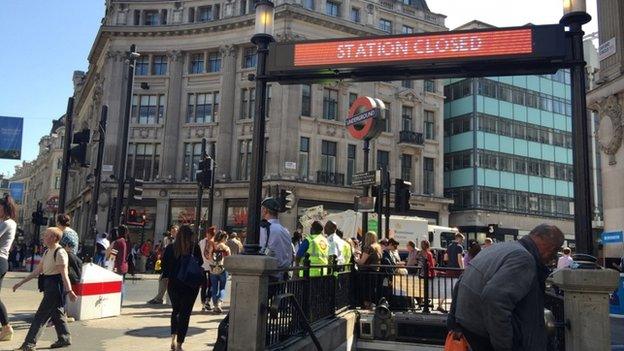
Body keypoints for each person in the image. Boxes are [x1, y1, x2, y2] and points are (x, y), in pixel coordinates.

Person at [449, 224, 564, 351]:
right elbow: (494, 299)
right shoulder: (523, 258)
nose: (552, 257)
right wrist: (505, 345)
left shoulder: (499, 248)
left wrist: (454, 323)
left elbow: (462, 281)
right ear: (548, 245)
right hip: (488, 334)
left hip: (472, 328)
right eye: (554, 250)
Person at [13, 227, 77, 351]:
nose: (43, 237)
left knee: (41, 316)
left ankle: (29, 344)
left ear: (54, 238)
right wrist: (21, 282)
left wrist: (69, 291)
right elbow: (38, 270)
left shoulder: (60, 252)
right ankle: (64, 338)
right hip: (48, 284)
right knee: (56, 313)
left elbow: (64, 274)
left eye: (46, 235)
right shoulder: (48, 251)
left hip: (55, 286)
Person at [161, 225, 203, 351]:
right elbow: (200, 262)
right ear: (191, 236)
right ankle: (180, 344)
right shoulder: (194, 247)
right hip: (190, 284)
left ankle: (173, 339)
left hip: (174, 284)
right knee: (185, 314)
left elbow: (164, 266)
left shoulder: (170, 248)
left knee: (176, 311)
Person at [259, 197, 294, 280]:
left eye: (262, 209)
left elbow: (261, 249)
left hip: (268, 275)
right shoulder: (285, 231)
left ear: (265, 210)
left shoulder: (263, 228)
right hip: (283, 275)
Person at [0, 195, 17, 341]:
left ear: (5, 208)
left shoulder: (7, 223)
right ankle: (5, 327)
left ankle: (6, 327)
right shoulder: (6, 223)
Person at [148, 225, 178, 305]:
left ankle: (160, 299)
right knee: (162, 279)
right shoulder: (166, 239)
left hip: (174, 265)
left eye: (174, 231)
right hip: (167, 264)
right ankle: (159, 298)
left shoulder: (178, 241)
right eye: (172, 231)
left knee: (166, 281)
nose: (173, 233)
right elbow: (163, 249)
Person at [355, 231, 383, 308]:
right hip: (375, 271)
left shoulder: (368, 247)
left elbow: (361, 262)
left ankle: (367, 305)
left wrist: (356, 257)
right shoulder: (378, 247)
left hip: (366, 272)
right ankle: (371, 304)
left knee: (365, 291)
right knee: (371, 290)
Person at [210, 231, 231, 314]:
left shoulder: (213, 246)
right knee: (222, 288)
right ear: (223, 238)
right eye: (226, 238)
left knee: (214, 288)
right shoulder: (226, 247)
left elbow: (209, 257)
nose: (226, 240)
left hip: (213, 269)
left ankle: (215, 306)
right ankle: (219, 303)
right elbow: (229, 258)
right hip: (223, 268)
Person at [198, 226, 216, 311]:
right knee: (209, 284)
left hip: (204, 266)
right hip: (210, 266)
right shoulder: (213, 242)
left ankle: (204, 302)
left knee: (206, 285)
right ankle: (206, 302)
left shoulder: (202, 242)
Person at [112, 225, 129, 303]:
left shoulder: (118, 242)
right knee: (122, 285)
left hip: (117, 266)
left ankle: (117, 304)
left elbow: (112, 256)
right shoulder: (125, 241)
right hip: (124, 266)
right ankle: (120, 304)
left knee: (118, 287)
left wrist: (110, 266)